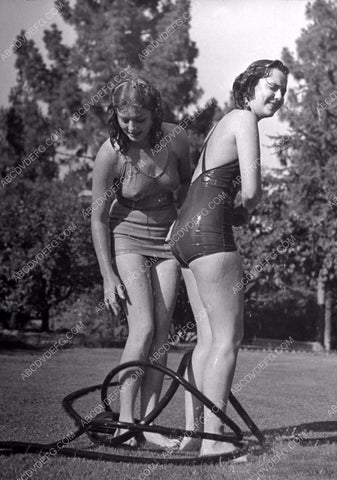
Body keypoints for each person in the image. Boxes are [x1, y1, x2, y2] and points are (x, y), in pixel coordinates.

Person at [169, 59, 288, 457]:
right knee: (228, 339)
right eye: (272, 86)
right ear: (250, 85)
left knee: (206, 341)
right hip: (210, 235)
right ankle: (214, 445)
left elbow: (204, 183)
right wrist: (250, 212)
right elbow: (251, 192)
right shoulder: (244, 120)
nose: (279, 96)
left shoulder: (222, 122)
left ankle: (193, 438)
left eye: (283, 91)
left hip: (183, 233)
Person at [91, 71, 191, 448]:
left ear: (156, 113)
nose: (131, 126)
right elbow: (99, 217)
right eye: (124, 118)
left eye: (140, 119)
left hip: (167, 241)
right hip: (127, 239)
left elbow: (190, 189)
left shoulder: (177, 138)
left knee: (163, 335)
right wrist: (107, 275)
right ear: (114, 115)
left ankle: (147, 425)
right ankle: (126, 422)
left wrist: (182, 225)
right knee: (144, 328)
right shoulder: (110, 154)